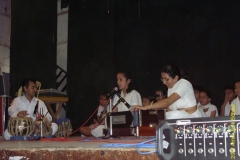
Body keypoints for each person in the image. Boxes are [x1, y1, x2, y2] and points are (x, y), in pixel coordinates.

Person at [132, 64, 202, 119]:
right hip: (178, 117)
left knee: (171, 115)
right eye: (162, 79)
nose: (164, 82)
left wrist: (146, 107)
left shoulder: (184, 84)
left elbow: (167, 102)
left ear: (176, 78)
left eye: (166, 79)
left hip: (192, 118)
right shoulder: (170, 87)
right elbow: (169, 107)